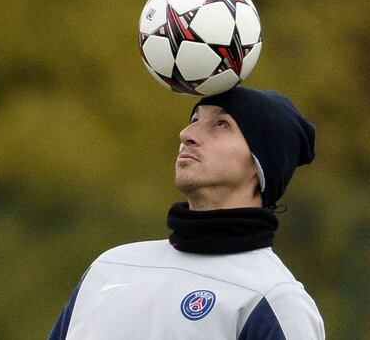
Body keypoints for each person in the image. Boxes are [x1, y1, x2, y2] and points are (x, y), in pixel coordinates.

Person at [48, 86, 325, 339]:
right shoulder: (110, 268)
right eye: (195, 120)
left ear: (261, 164)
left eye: (221, 124)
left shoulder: (273, 298)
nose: (187, 135)